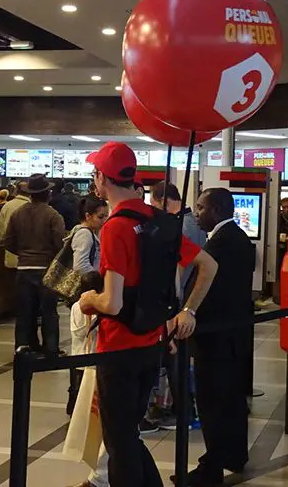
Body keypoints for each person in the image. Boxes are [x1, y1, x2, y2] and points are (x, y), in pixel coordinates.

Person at [79, 142, 218, 487]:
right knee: (128, 434)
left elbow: (112, 303)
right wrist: (189, 310)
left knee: (119, 440)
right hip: (152, 342)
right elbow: (208, 265)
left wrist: (88, 300)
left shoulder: (115, 227)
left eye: (95, 173)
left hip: (118, 347)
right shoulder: (160, 221)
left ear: (102, 179)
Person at [182, 188, 257, 486]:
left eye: (201, 207)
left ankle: (210, 467)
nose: (197, 212)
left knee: (213, 403)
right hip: (236, 336)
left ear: (215, 210)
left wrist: (188, 312)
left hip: (215, 339)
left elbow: (210, 291)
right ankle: (235, 455)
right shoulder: (239, 239)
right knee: (233, 399)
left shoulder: (220, 245)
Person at [149, 181, 207, 429]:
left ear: (162, 200)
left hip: (178, 303)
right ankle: (183, 409)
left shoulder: (179, 227)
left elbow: (179, 271)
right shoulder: (192, 222)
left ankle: (182, 411)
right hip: (187, 300)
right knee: (179, 360)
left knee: (176, 361)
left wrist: (174, 303)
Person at [3, 174, 65, 354]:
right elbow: (60, 243)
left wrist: (23, 253)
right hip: (45, 268)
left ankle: (24, 347)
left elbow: (7, 241)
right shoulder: (53, 215)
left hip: (23, 268)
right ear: (47, 193)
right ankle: (51, 348)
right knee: (48, 311)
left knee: (24, 312)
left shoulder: (17, 213)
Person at [66, 195, 108, 415]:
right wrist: (97, 282)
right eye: (100, 216)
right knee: (83, 342)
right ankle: (77, 398)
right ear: (88, 216)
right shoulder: (85, 235)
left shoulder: (88, 233)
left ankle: (77, 397)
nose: (104, 220)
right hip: (87, 291)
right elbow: (80, 264)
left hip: (89, 290)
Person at [68, 271, 109, 487]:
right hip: (94, 363)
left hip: (92, 363)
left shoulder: (89, 305)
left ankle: (101, 478)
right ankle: (100, 477)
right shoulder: (92, 306)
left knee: (102, 424)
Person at [0, 181, 30, 269]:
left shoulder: (8, 206)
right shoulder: (36, 206)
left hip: (11, 256)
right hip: (32, 260)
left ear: (16, 191)